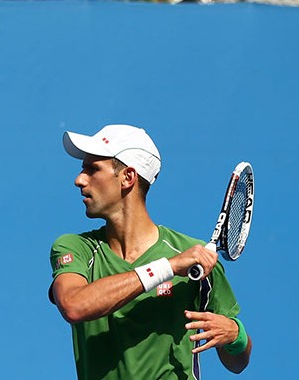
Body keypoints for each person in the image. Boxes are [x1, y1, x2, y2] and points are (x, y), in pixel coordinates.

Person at [48, 124, 252, 379]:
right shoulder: (74, 248)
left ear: (127, 177)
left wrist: (235, 335)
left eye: (92, 169)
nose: (79, 180)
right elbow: (74, 306)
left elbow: (236, 362)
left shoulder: (195, 258)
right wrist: (170, 267)